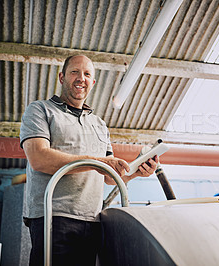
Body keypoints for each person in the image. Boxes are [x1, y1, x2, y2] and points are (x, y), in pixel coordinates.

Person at [20, 55, 158, 266]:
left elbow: (110, 178)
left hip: (93, 221)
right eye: (75, 72)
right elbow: (39, 158)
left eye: (87, 74)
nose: (80, 78)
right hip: (53, 216)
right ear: (62, 77)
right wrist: (97, 161)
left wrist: (137, 171)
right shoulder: (41, 110)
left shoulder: (100, 125)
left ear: (92, 83)